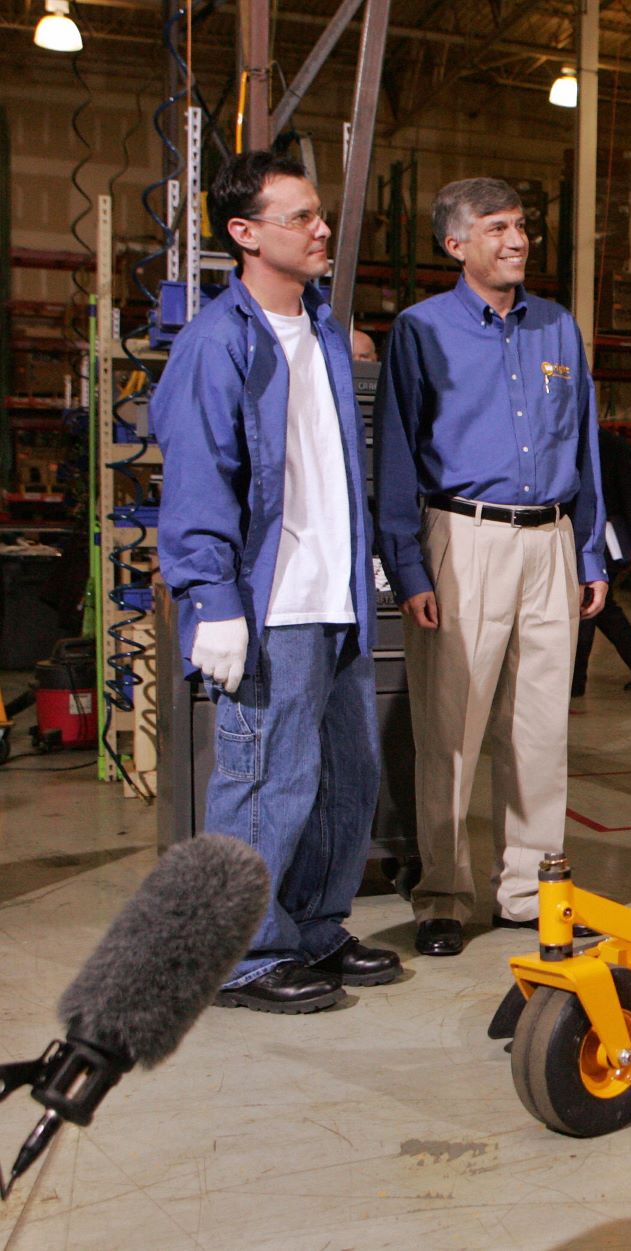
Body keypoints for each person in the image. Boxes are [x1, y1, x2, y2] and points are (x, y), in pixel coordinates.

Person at [153, 150, 398, 1013]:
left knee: (342, 776)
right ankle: (242, 952)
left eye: (320, 213)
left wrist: (361, 554)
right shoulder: (216, 342)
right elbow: (196, 478)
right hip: (270, 605)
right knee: (264, 782)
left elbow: (329, 467)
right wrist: (211, 598)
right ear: (245, 233)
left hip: (335, 596)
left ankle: (312, 926)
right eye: (300, 217)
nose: (321, 228)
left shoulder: (325, 332)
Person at [374, 177, 608, 958]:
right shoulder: (419, 330)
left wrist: (586, 546)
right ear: (456, 244)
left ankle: (529, 893)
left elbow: (584, 444)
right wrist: (408, 565)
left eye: (522, 226)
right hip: (462, 538)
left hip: (550, 539)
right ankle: (443, 891)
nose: (517, 240)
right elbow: (398, 455)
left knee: (541, 733)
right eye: (498, 227)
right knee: (452, 729)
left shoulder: (557, 329)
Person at [572, 426, 631, 695]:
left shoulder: (615, 448)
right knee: (602, 607)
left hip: (608, 539)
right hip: (586, 535)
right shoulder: (576, 444)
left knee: (589, 605)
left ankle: (576, 683)